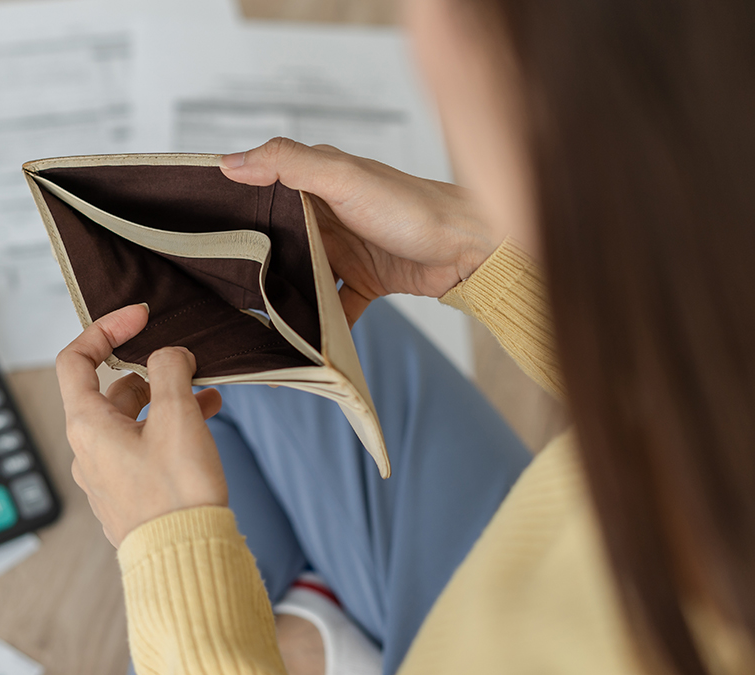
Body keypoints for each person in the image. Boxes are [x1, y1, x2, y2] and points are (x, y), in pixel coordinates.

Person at [54, 0, 755, 672]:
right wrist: (484, 252)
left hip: (488, 636)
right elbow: (694, 408)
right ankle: (312, 613)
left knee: (195, 413)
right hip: (571, 552)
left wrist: (172, 562)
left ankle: (307, 626)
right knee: (267, 319)